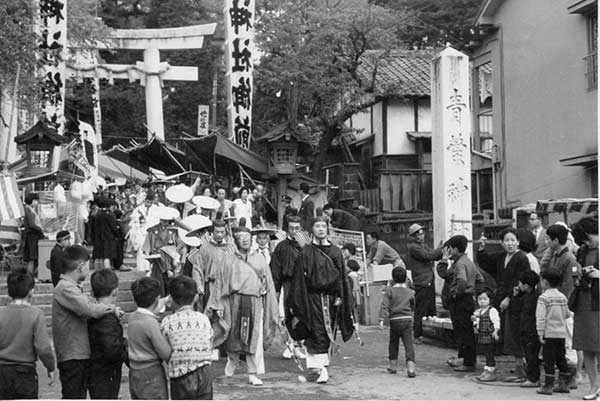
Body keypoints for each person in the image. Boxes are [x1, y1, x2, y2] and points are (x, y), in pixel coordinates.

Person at [285, 216, 354, 384]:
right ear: (312, 229)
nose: (321, 229)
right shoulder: (307, 252)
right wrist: (297, 302)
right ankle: (318, 368)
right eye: (317, 226)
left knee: (327, 331)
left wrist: (341, 297)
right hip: (312, 298)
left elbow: (342, 279)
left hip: (330, 300)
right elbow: (299, 279)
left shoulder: (336, 251)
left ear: (327, 229)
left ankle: (323, 367)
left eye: (324, 226)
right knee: (314, 331)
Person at [207, 226, 279, 386]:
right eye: (241, 237)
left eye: (248, 236)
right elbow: (219, 283)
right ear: (235, 239)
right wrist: (218, 304)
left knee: (253, 337)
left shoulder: (259, 258)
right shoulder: (228, 259)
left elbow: (269, 283)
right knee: (233, 336)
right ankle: (231, 366)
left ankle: (252, 373)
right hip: (234, 301)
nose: (245, 239)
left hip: (255, 302)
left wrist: (270, 302)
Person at [52, 245, 118, 399]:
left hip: (79, 353)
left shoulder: (74, 288)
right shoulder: (65, 288)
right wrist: (111, 308)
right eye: (88, 265)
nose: (89, 269)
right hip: (72, 355)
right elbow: (90, 309)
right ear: (80, 267)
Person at [477, 227, 531, 382]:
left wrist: (509, 298)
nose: (510, 243)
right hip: (499, 299)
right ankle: (491, 368)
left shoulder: (521, 258)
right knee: (495, 333)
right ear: (502, 243)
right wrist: (481, 248)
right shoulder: (502, 257)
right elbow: (486, 262)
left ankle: (521, 371)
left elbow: (522, 281)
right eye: (507, 240)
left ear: (518, 242)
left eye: (513, 240)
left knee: (514, 336)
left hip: (516, 302)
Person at [0, 269, 55, 399]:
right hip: (25, 373)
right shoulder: (36, 314)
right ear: (31, 291)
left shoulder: (1, 314)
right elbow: (43, 348)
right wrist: (50, 367)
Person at [161, 276, 214, 400]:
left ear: (171, 299)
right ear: (195, 297)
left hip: (180, 377)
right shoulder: (203, 319)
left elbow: (164, 349)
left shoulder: (167, 322)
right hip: (204, 374)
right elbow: (209, 343)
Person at [437, 235, 482, 372]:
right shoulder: (467, 261)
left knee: (464, 333)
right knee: (465, 331)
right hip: (467, 300)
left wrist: (456, 293)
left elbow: (461, 280)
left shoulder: (460, 264)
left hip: (461, 301)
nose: (448, 251)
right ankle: (464, 359)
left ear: (455, 249)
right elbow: (479, 278)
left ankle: (468, 362)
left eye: (449, 248)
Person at [570, 217, 600, 400]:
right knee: (586, 346)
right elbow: (575, 272)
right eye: (585, 240)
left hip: (598, 303)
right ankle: (593, 387)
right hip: (583, 301)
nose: (589, 242)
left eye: (590, 238)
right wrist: (580, 275)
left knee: (599, 345)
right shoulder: (581, 251)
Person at [127, 277, 172, 399]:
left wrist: (162, 300)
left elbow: (150, 309)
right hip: (151, 373)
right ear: (157, 298)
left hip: (135, 372)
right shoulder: (151, 324)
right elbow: (166, 353)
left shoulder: (132, 318)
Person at [269, 216, 306, 360]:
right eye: (291, 228)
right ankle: (289, 345)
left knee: (302, 315)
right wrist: (276, 290)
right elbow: (276, 270)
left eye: (297, 228)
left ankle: (299, 345)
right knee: (287, 315)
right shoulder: (281, 247)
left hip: (303, 285)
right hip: (288, 284)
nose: (294, 231)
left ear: (301, 229)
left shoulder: (306, 246)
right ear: (287, 229)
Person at [88, 268, 128, 399]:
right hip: (105, 371)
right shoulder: (107, 318)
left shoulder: (92, 311)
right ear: (115, 290)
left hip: (96, 368)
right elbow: (112, 349)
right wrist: (124, 351)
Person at [536, 268, 573, 395]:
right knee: (561, 358)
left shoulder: (543, 298)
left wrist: (540, 333)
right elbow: (568, 314)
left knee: (548, 360)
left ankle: (548, 385)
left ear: (545, 282)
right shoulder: (562, 297)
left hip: (549, 333)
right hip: (561, 334)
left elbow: (540, 317)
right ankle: (564, 383)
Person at [405, 223, 443, 343]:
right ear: (413, 237)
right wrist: (440, 250)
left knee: (431, 308)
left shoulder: (422, 246)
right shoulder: (414, 247)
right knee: (420, 309)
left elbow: (433, 254)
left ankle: (430, 333)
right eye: (418, 234)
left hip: (428, 279)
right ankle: (417, 335)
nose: (421, 236)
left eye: (422, 233)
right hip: (422, 281)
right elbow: (430, 256)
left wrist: (439, 250)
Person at [190, 219, 236, 310]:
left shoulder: (231, 248)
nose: (219, 234)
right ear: (212, 232)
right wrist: (199, 285)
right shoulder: (205, 248)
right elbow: (197, 268)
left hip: (226, 286)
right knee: (209, 312)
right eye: (217, 232)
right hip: (210, 286)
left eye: (222, 232)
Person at [379, 266, 416, 378]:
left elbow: (384, 305)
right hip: (407, 320)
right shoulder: (410, 292)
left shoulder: (389, 291)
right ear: (406, 279)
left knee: (393, 343)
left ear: (392, 279)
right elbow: (413, 305)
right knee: (408, 344)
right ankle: (411, 368)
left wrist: (381, 320)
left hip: (394, 320)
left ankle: (393, 366)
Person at [142, 207, 185, 296]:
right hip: (157, 258)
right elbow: (147, 246)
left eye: (166, 220)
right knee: (158, 280)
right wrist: (147, 255)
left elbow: (179, 244)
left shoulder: (173, 230)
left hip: (171, 257)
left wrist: (178, 254)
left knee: (171, 281)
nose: (164, 222)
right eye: (163, 219)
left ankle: (170, 299)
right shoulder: (153, 230)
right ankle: (160, 299)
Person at [517, 269, 541, 388]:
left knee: (532, 355)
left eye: (520, 283)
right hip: (526, 329)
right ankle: (531, 376)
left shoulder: (534, 297)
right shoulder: (527, 295)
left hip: (531, 330)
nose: (518, 285)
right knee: (529, 355)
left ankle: (533, 378)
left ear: (526, 285)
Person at [541, 224, 579, 299]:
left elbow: (569, 285)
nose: (546, 242)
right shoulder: (554, 256)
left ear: (555, 240)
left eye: (548, 239)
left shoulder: (570, 259)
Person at [472, 290, 500, 382]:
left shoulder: (492, 310)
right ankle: (486, 370)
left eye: (484, 299)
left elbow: (496, 322)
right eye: (479, 299)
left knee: (489, 353)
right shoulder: (479, 311)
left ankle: (492, 371)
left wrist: (496, 332)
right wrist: (474, 320)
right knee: (485, 353)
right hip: (482, 335)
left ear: (489, 300)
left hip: (489, 335)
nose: (482, 301)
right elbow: (477, 323)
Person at [92, 197, 121, 269]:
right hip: (108, 237)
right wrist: (117, 235)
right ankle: (106, 272)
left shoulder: (97, 214)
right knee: (106, 256)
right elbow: (113, 227)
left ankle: (98, 271)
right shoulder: (110, 215)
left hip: (98, 237)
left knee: (98, 256)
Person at [23, 193, 44, 276]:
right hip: (33, 236)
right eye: (36, 200)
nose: (37, 202)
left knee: (32, 258)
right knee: (32, 257)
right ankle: (29, 275)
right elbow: (32, 224)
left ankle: (31, 274)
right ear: (32, 200)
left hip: (32, 235)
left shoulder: (28, 209)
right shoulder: (29, 210)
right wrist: (41, 229)